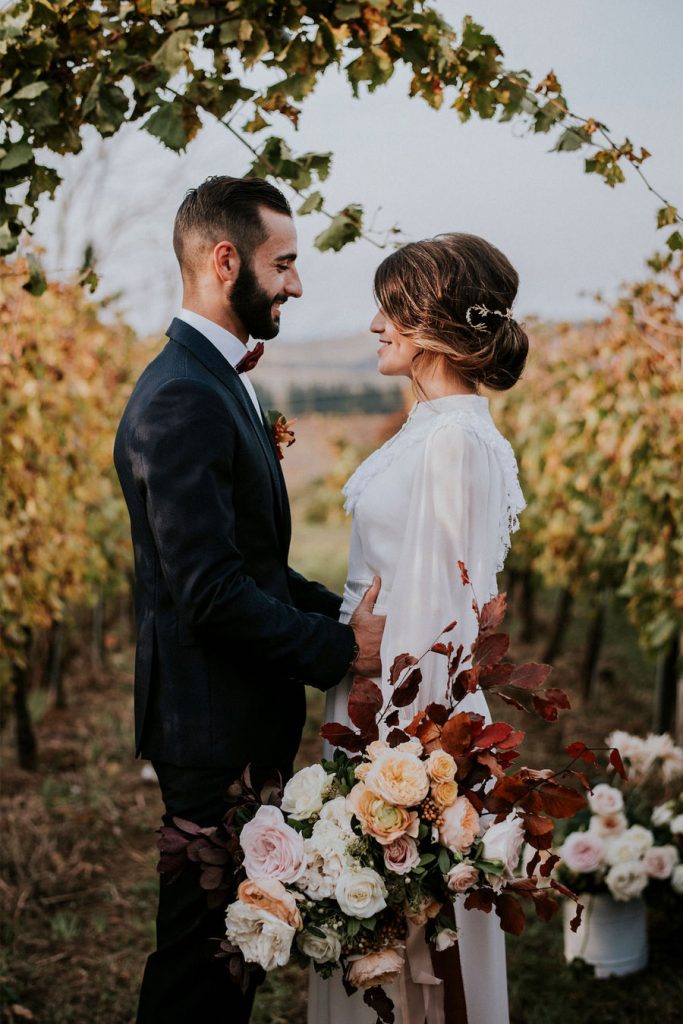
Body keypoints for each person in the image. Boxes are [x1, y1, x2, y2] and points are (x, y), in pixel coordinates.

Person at [113, 175, 385, 1024]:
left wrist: (340, 618)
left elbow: (256, 566)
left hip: (234, 715)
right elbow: (212, 593)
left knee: (236, 947)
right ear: (225, 261)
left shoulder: (221, 380)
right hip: (210, 727)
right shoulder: (185, 395)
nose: (297, 284)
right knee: (203, 961)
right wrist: (342, 652)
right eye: (285, 263)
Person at [309, 232, 528, 1024]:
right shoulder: (438, 427)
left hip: (400, 718)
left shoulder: (448, 442)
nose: (373, 324)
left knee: (410, 950)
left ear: (431, 323)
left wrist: (400, 776)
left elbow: (442, 619)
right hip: (379, 698)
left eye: (389, 309)